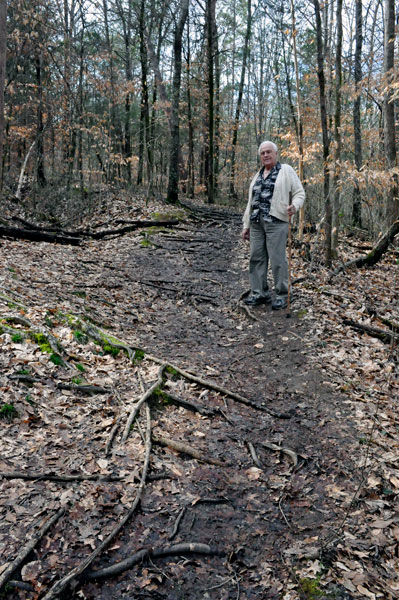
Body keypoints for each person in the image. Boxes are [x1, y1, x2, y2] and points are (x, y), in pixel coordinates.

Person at [242, 141, 305, 310]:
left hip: (276, 221)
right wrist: (245, 225)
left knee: (277, 259)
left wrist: (294, 206)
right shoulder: (257, 175)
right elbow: (250, 202)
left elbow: (300, 193)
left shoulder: (286, 171)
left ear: (276, 154)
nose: (266, 155)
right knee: (256, 258)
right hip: (256, 223)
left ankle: (282, 295)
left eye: (269, 152)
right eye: (263, 153)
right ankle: (259, 293)